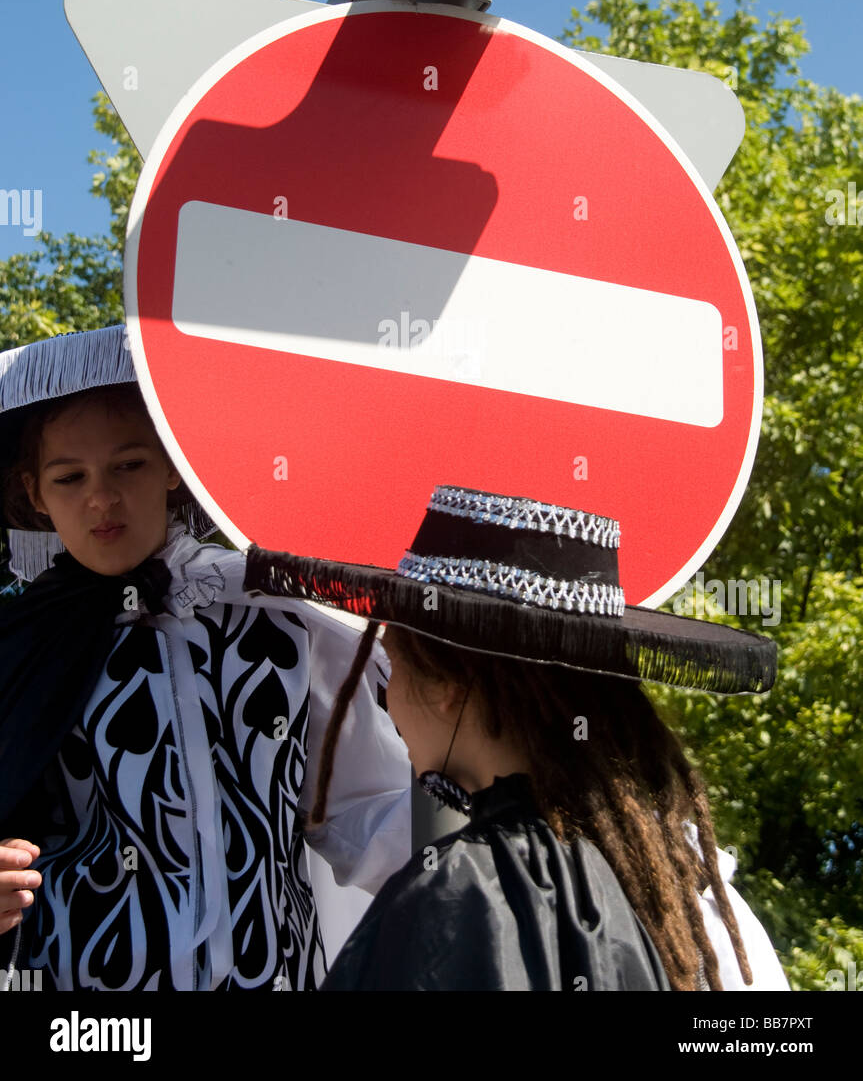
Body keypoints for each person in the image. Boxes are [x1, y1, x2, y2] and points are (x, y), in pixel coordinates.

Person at [245, 483, 790, 992]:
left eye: (395, 663)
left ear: (449, 687)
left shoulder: (462, 889)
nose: (388, 698)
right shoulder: (687, 898)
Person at [0, 324, 411, 990]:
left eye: (128, 464)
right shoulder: (18, 648)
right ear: (36, 493)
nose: (100, 499)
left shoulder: (283, 616)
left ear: (170, 463)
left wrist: (497, 848)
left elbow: (366, 810)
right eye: (70, 477)